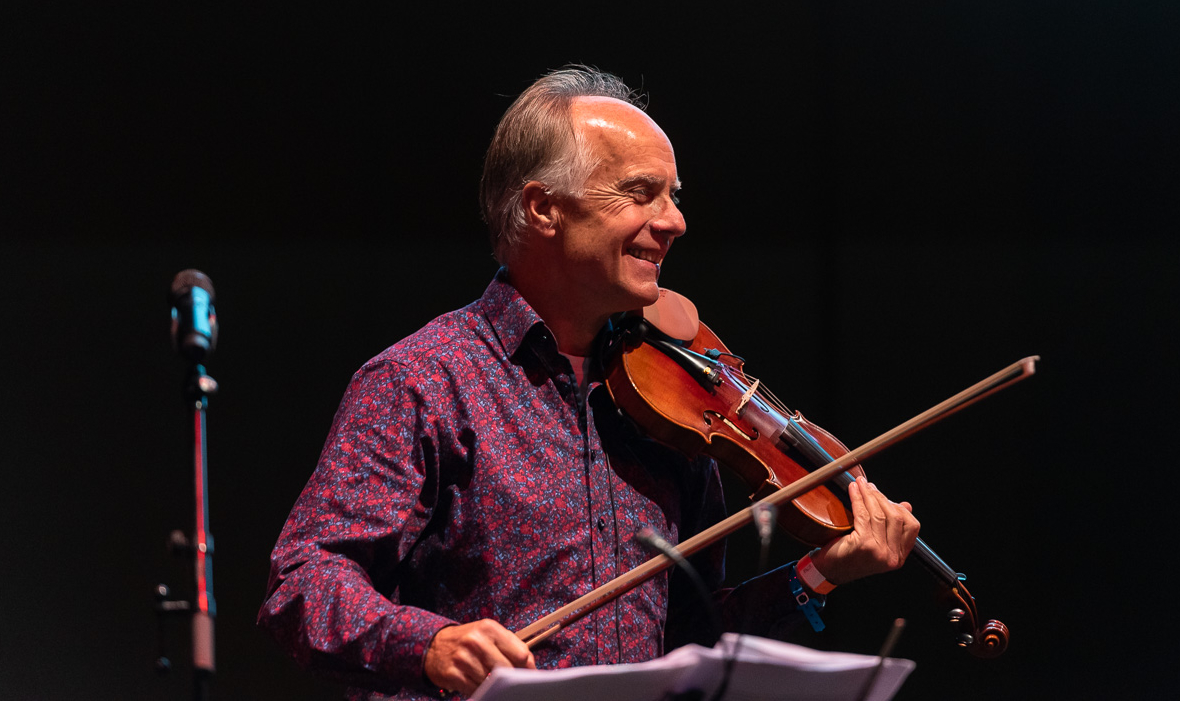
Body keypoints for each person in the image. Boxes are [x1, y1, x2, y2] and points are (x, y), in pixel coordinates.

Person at [258, 66, 920, 700]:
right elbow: (303, 584)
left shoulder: (675, 402)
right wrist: (431, 644)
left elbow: (689, 636)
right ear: (544, 208)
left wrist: (821, 571)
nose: (674, 221)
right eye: (640, 193)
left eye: (674, 195)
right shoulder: (423, 380)